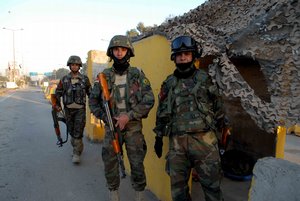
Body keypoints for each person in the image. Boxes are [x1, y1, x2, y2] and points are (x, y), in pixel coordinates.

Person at [153, 35, 225, 201]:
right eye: (179, 54)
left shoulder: (205, 79)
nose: (183, 57)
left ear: (193, 55)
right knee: (178, 191)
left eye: (187, 53)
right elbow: (162, 111)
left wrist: (222, 136)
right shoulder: (169, 83)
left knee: (212, 188)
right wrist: (158, 136)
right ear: (174, 58)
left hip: (204, 142)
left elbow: (218, 107)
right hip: (177, 144)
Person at [89, 35, 155, 201]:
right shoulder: (104, 76)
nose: (119, 53)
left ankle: (139, 194)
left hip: (133, 127)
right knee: (110, 163)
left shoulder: (137, 74)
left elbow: (149, 99)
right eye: (116, 50)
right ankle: (113, 192)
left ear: (128, 52)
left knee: (137, 163)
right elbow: (93, 101)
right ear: (111, 52)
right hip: (112, 127)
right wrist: (105, 116)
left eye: (123, 49)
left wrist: (129, 116)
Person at [54, 55, 91, 164]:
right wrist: (56, 105)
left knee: (78, 132)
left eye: (76, 65)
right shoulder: (64, 79)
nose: (74, 66)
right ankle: (78, 148)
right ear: (69, 66)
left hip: (80, 110)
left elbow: (91, 93)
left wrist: (96, 105)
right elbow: (58, 93)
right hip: (68, 110)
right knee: (71, 131)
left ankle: (76, 153)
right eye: (72, 64)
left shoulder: (84, 79)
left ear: (79, 66)